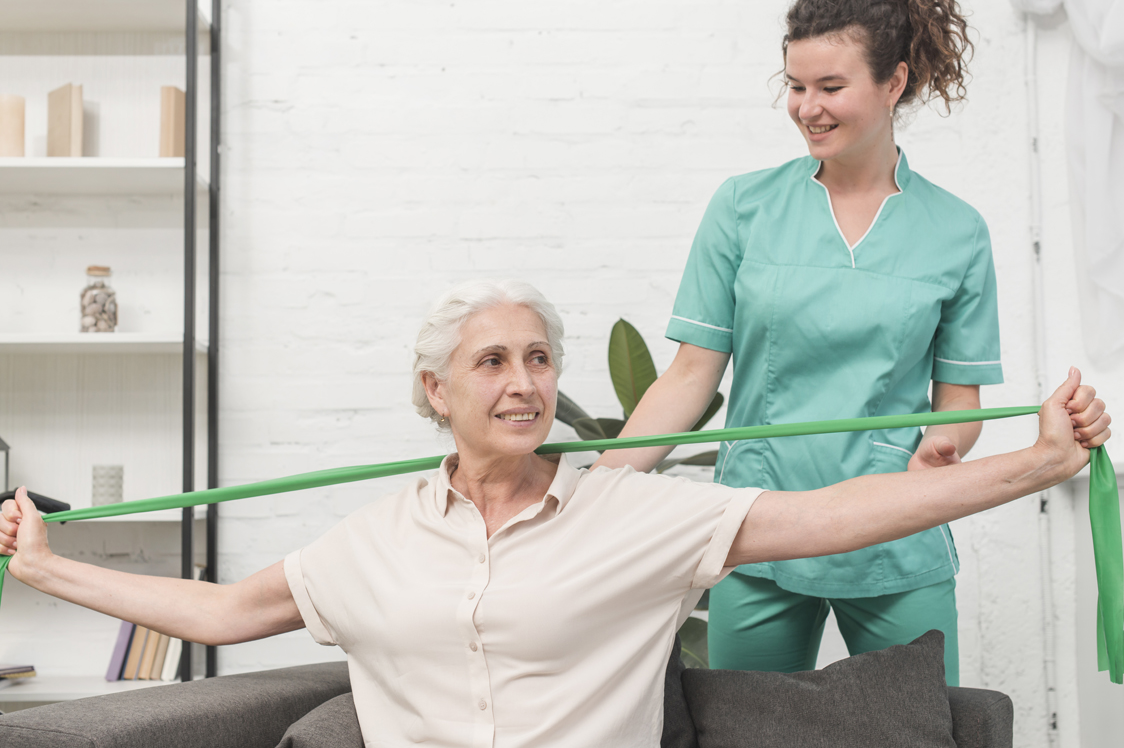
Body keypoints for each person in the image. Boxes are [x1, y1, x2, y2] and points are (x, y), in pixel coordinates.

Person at [0, 279, 1110, 748]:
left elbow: (833, 516)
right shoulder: (373, 543)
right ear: (436, 392)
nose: (524, 382)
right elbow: (224, 612)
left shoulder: (631, 514)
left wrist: (1030, 463)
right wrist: (46, 568)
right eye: (492, 361)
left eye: (539, 359)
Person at [592, 0, 1004, 684]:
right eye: (796, 86)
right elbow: (691, 374)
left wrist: (944, 447)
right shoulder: (741, 208)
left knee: (920, 729)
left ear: (894, 82)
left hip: (894, 533)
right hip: (759, 531)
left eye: (831, 88)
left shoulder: (957, 232)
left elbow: (958, 403)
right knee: (744, 731)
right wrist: (596, 488)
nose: (808, 108)